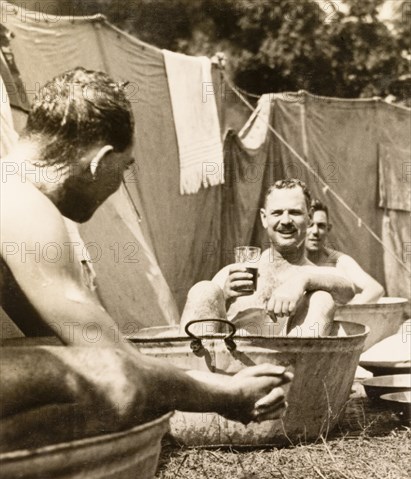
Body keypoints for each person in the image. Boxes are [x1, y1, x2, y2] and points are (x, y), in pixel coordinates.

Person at [0, 68, 291, 451]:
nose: (119, 182)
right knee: (94, 381)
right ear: (100, 160)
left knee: (54, 360)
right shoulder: (22, 204)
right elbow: (110, 363)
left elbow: (64, 338)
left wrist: (212, 383)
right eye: (124, 169)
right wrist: (226, 394)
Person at [181, 179, 355, 337]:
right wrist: (223, 298)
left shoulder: (315, 274)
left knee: (321, 298)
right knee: (204, 290)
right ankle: (192, 371)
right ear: (264, 218)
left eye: (295, 213)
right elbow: (204, 311)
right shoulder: (239, 272)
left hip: (289, 366)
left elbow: (348, 289)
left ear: (309, 218)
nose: (286, 221)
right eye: (277, 213)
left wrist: (302, 280)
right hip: (228, 366)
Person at [305, 199, 385, 304]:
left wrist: (344, 310)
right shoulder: (286, 258)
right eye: (309, 225)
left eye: (321, 226)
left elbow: (375, 289)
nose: (315, 231)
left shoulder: (339, 260)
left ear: (328, 229)